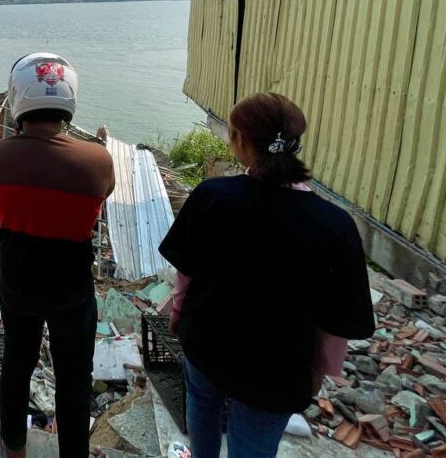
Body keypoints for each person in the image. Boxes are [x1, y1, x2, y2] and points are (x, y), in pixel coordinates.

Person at [159, 93, 375, 458]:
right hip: (278, 369)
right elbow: (336, 317)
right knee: (253, 446)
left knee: (203, 408)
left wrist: (178, 314)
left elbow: (186, 273)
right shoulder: (334, 225)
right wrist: (321, 370)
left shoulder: (213, 196)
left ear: (241, 141)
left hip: (208, 344)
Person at [0, 53, 115, 458]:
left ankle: (13, 448)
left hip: (18, 280)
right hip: (71, 286)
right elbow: (98, 201)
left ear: (18, 96)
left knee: (17, 363)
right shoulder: (98, 160)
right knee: (74, 378)